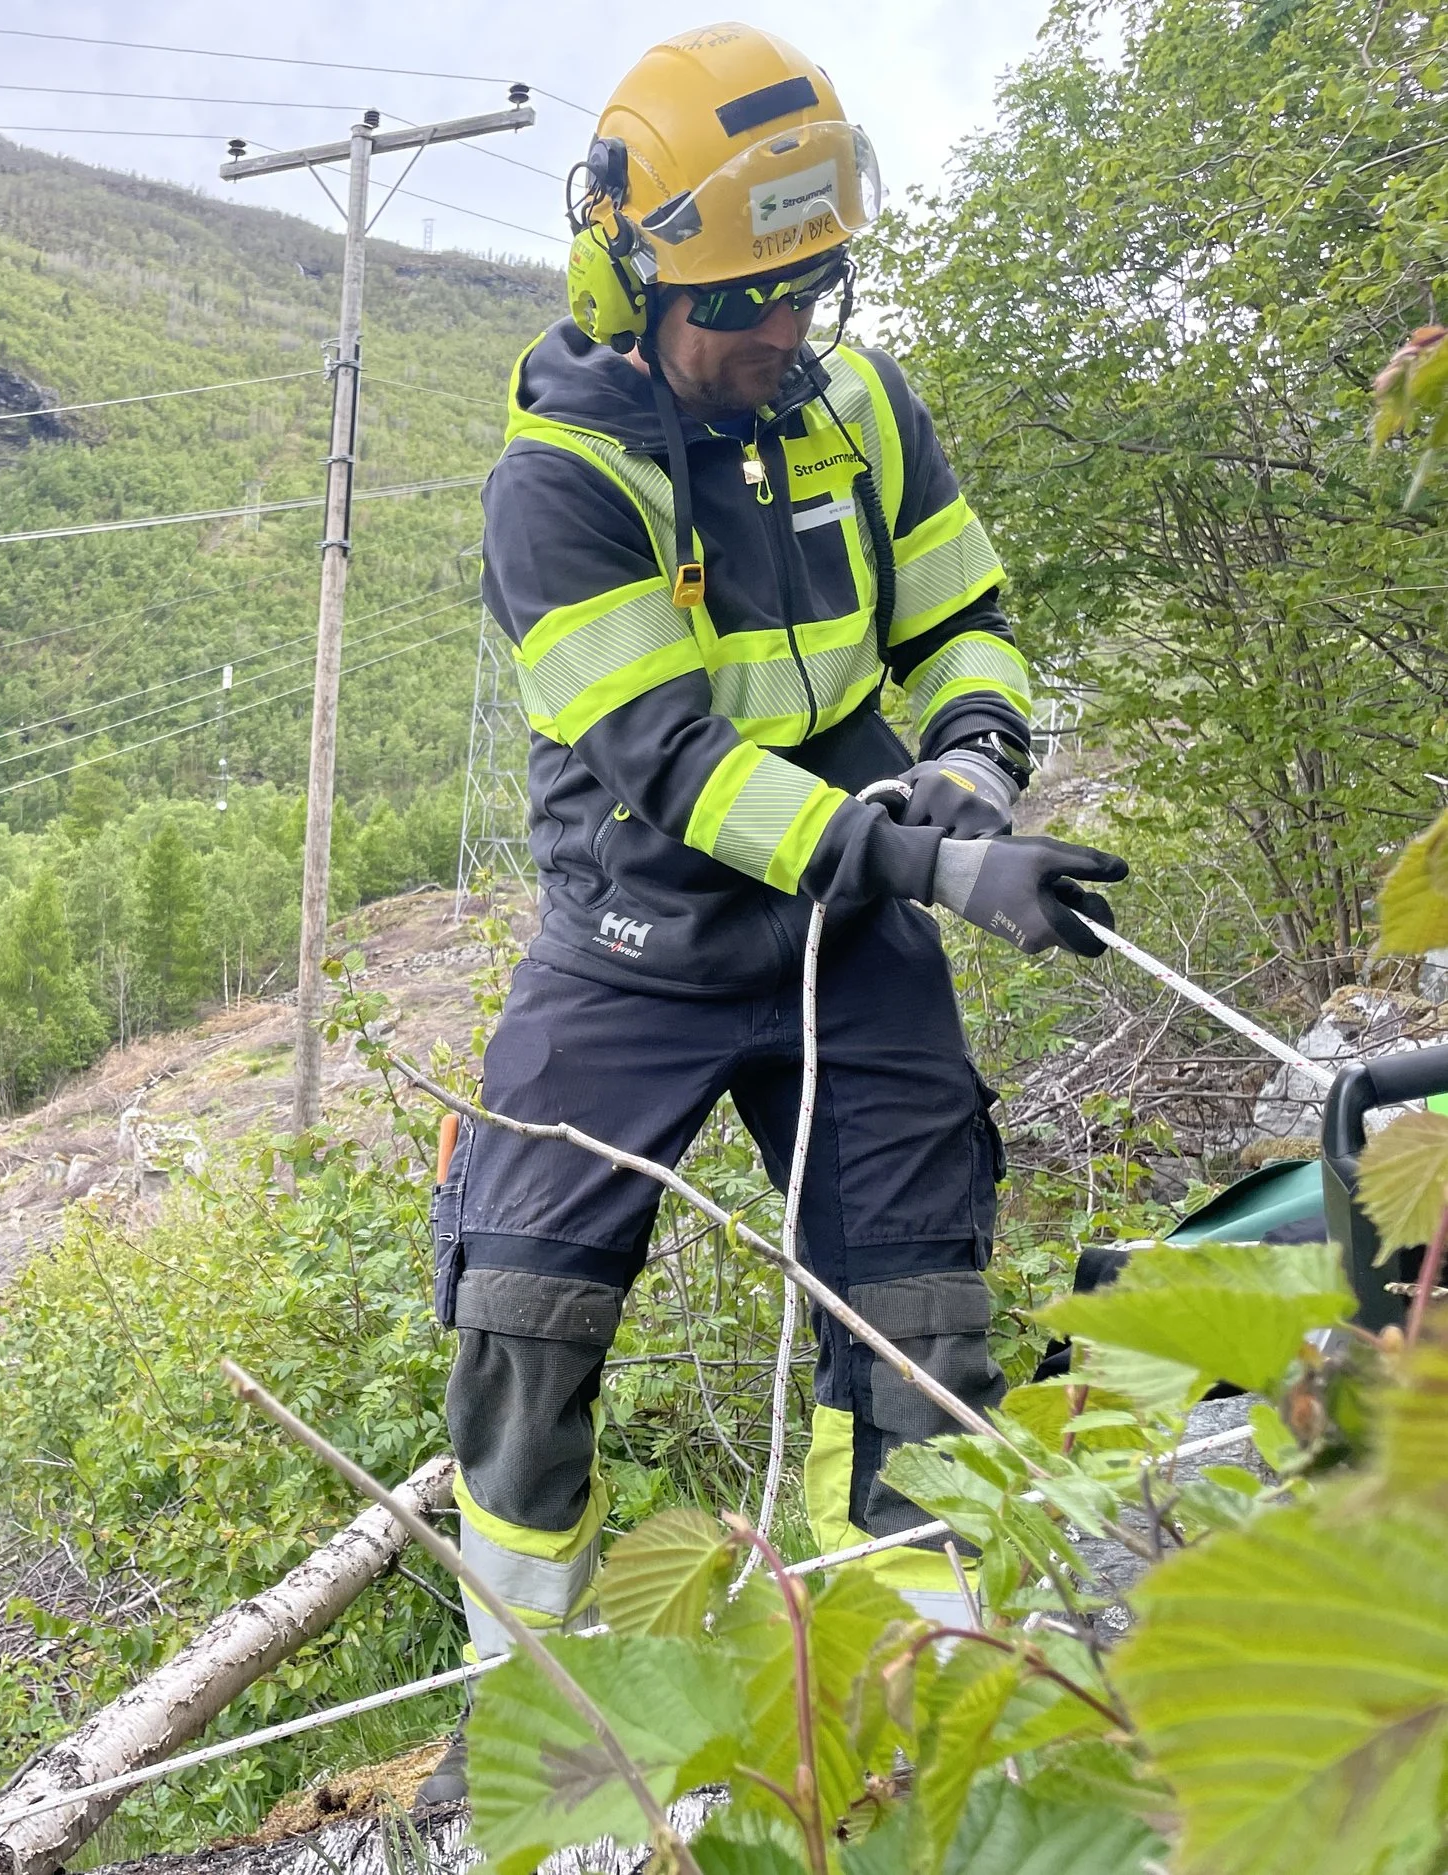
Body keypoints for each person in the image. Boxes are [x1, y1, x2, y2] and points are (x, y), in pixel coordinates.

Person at [418, 22, 1125, 1801]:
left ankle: (901, 1722)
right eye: (750, 309)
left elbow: (964, 613)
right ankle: (536, 1737)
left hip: (858, 921)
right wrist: (935, 861)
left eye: (814, 294)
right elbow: (676, 768)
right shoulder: (561, 487)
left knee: (918, 1329)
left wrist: (971, 760)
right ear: (630, 274)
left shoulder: (856, 406)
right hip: (637, 946)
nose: (789, 338)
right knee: (522, 1314)